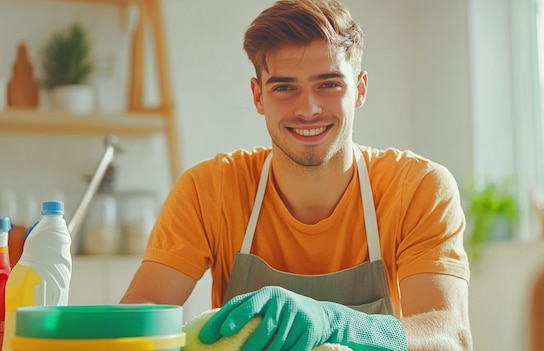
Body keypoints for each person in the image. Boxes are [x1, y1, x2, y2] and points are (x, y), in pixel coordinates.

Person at [120, 0, 472, 350]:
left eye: (329, 84)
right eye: (284, 87)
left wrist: (336, 323)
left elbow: (450, 337)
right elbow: (139, 317)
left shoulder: (417, 188)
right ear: (258, 96)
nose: (308, 109)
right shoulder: (208, 190)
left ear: (360, 89)